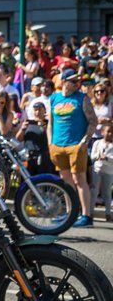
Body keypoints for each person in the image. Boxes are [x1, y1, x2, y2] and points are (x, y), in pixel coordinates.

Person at [49, 69, 98, 227]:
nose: (77, 83)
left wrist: (85, 140)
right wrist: (50, 142)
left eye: (78, 81)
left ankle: (86, 216)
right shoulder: (54, 98)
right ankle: (70, 214)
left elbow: (93, 120)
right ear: (63, 81)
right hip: (58, 145)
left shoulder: (82, 98)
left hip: (76, 145)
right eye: (73, 81)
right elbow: (50, 123)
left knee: (79, 179)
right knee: (66, 180)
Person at [90, 124, 113, 221]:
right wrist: (98, 156)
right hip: (97, 170)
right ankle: (90, 212)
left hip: (109, 172)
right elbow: (92, 156)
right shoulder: (97, 143)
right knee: (94, 192)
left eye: (111, 132)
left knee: (107, 193)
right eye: (108, 131)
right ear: (102, 132)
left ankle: (108, 213)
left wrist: (107, 158)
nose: (110, 134)